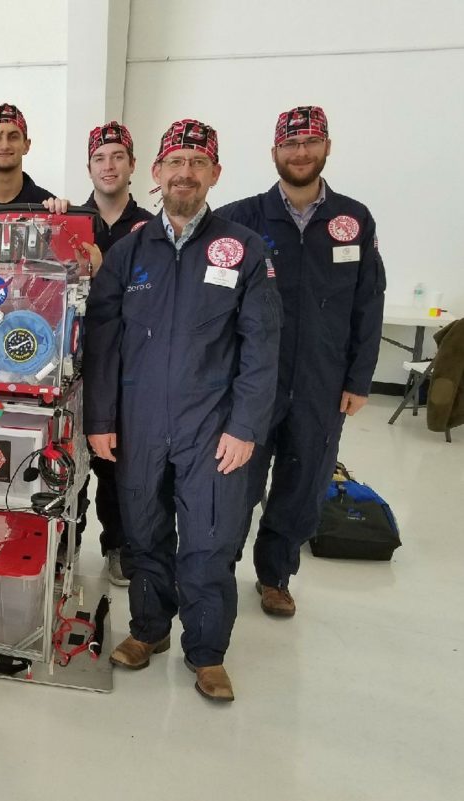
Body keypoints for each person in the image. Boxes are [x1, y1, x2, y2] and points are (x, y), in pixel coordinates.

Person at [83, 119, 282, 701]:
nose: (185, 173)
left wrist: (246, 426)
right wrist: (100, 420)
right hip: (139, 424)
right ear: (158, 174)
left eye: (198, 162)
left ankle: (207, 652)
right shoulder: (128, 252)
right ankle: (148, 631)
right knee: (143, 533)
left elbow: (262, 347)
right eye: (176, 162)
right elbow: (102, 342)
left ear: (215, 174)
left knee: (209, 540)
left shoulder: (242, 248)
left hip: (213, 428)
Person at [217, 106, 386, 617]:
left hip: (322, 381)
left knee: (303, 482)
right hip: (252, 384)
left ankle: (275, 575)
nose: (300, 153)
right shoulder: (240, 218)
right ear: (274, 154)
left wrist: (359, 377)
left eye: (310, 143)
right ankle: (216, 570)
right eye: (290, 145)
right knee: (234, 483)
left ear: (327, 147)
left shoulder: (351, 220)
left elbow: (368, 300)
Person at [76, 121, 155, 585]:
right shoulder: (69, 221)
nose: (109, 165)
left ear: (132, 165)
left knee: (118, 463)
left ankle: (117, 547)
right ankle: (67, 544)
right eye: (100, 158)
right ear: (89, 167)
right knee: (66, 461)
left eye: (117, 157)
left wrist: (107, 274)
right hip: (72, 363)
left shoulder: (149, 228)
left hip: (130, 365)